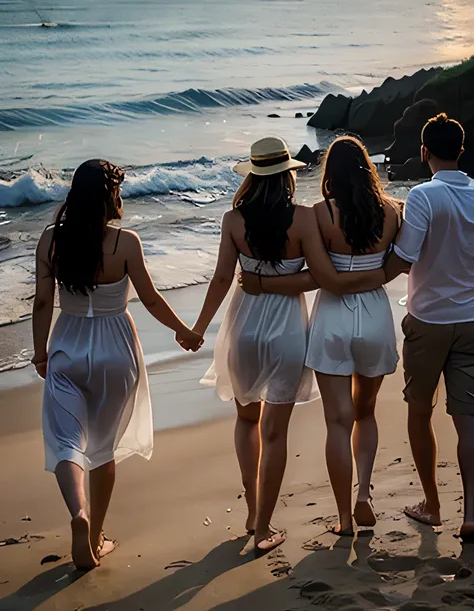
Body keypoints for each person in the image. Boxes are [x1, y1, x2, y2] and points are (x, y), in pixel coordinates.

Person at [194, 137, 385, 552]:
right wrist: (279, 284)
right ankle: (263, 528)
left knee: (246, 421)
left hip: (242, 326)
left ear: (251, 176)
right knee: (274, 433)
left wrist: (197, 328)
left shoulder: (233, 220)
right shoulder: (302, 220)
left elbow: (222, 280)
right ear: (288, 177)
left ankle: (252, 512)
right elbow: (320, 277)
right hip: (286, 332)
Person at [32, 159, 201, 571]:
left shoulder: (51, 240)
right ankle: (95, 537)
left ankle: (78, 513)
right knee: (103, 448)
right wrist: (184, 332)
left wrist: (40, 353)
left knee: (67, 441)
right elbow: (152, 299)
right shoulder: (125, 243)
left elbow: (40, 303)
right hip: (115, 349)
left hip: (68, 345)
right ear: (109, 196)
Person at [241, 136, 401, 535]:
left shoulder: (319, 213)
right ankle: (364, 494)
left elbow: (319, 276)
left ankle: (345, 518)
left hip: (332, 317)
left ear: (329, 175)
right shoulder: (394, 211)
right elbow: (401, 263)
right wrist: (378, 275)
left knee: (338, 422)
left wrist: (261, 285)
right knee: (366, 411)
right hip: (376, 314)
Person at [385, 113, 474, 539]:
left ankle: (433, 505)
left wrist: (356, 278)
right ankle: (472, 512)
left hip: (427, 321)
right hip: (472, 321)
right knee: (469, 419)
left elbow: (405, 257)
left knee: (420, 413)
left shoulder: (423, 196)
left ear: (424, 152)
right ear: (461, 149)